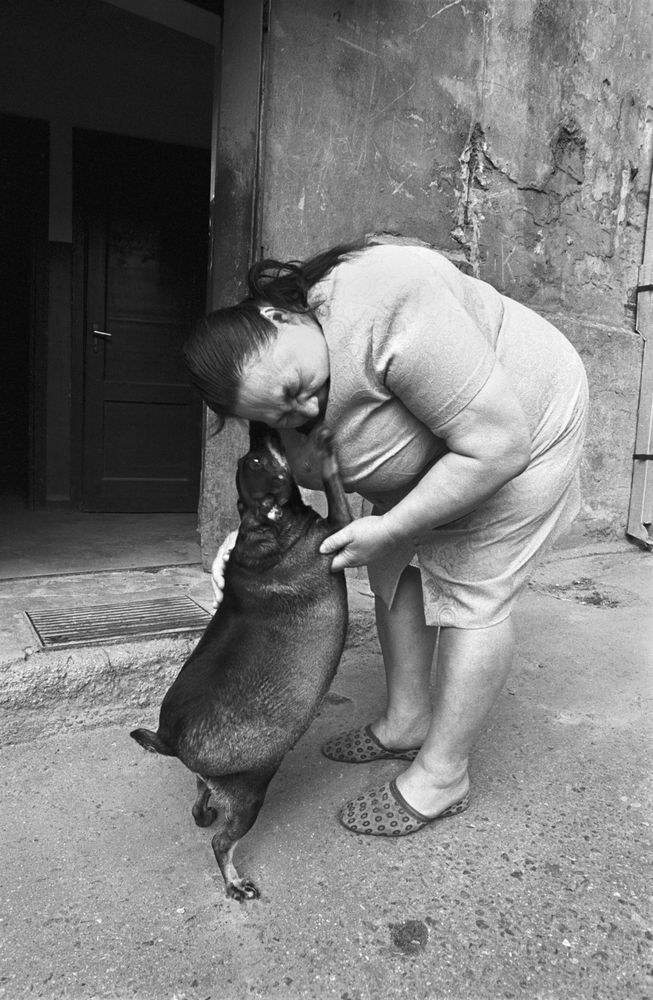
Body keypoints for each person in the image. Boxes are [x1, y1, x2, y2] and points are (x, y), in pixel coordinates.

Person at [183, 237, 588, 838]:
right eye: (281, 413)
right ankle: (406, 721)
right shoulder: (271, 378)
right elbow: (280, 479)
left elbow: (498, 446)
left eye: (300, 388)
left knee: (473, 592)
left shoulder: (387, 299)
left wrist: (394, 521)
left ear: (278, 316)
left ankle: (444, 773)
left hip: (522, 430)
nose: (307, 407)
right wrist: (241, 546)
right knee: (389, 564)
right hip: (439, 455)